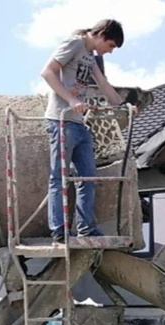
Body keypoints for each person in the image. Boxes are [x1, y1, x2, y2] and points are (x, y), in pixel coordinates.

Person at [40, 19, 133, 241]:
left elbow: (102, 83)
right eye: (110, 46)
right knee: (59, 178)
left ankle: (85, 227)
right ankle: (59, 230)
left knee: (89, 178)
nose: (109, 52)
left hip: (79, 123)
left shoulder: (91, 56)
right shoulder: (74, 44)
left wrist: (123, 107)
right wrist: (71, 100)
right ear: (101, 35)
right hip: (61, 120)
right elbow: (47, 72)